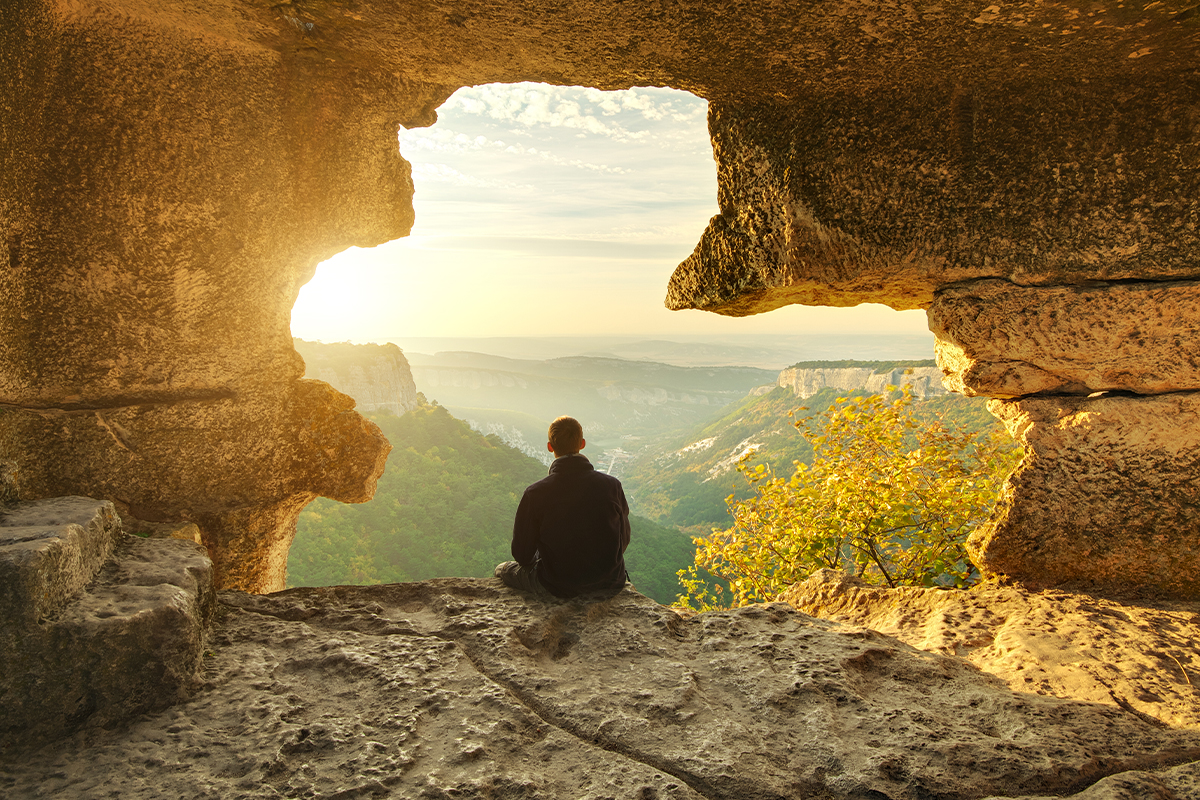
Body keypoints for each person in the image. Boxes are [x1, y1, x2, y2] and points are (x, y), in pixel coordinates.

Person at [495, 416, 630, 599]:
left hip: (558, 585)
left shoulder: (535, 493)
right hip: (609, 582)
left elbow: (522, 555)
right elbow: (623, 541)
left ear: (550, 447)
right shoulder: (612, 486)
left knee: (503, 569)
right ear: (582, 443)